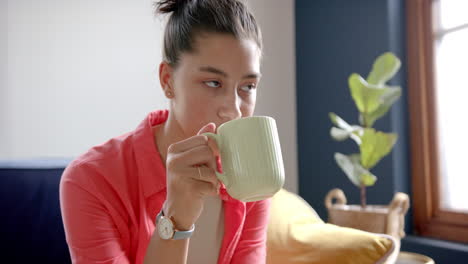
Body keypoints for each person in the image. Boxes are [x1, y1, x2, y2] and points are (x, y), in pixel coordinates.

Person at [59, 0, 270, 263]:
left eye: (248, 86)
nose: (234, 110)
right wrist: (175, 219)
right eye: (213, 83)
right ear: (167, 81)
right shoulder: (90, 180)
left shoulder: (249, 178)